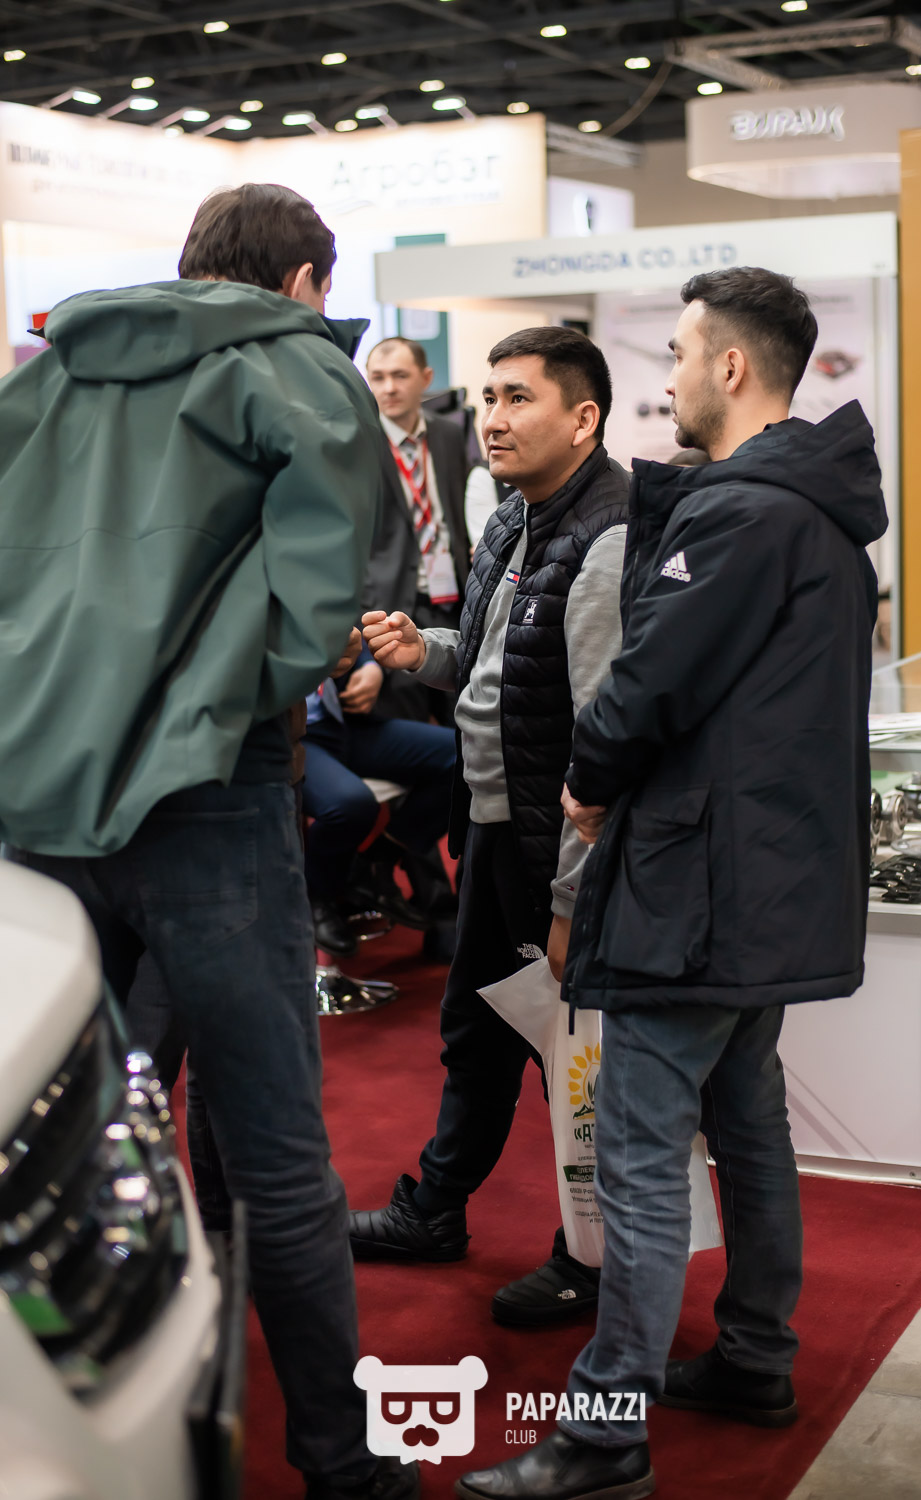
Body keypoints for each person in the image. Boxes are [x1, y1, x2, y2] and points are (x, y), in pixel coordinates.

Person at [0, 184, 416, 1500]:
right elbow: (319, 600)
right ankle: (338, 1463)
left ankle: (114, 1433)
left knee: (72, 1143)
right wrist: (222, 703)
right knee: (278, 1155)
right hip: (208, 794)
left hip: (38, 799)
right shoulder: (299, 367)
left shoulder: (50, 371)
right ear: (301, 281)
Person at [457, 267, 888, 1499]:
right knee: (745, 1128)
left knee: (642, 1154)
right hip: (758, 883)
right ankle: (752, 1356)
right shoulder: (813, 511)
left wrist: (588, 779)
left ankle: (603, 1434)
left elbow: (642, 684)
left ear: (730, 367)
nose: (672, 378)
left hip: (696, 888)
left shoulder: (743, 513)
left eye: (681, 355)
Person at [352, 326, 630, 1325]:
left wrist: (569, 899)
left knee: (577, 1061)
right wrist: (418, 652)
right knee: (475, 1027)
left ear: (583, 418)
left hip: (549, 844)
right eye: (490, 398)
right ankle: (435, 1209)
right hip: (491, 823)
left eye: (519, 398)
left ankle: (596, 1259)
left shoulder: (605, 537)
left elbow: (601, 743)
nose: (495, 420)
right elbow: (491, 667)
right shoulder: (517, 516)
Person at [303, 641, 456, 955]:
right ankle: (317, 897)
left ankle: (377, 861)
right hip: (294, 734)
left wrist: (369, 666)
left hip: (342, 722)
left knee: (466, 754)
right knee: (350, 805)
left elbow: (347, 633)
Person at [364, 336, 472, 721]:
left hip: (453, 603)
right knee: (411, 729)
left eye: (400, 375)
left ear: (426, 378)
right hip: (392, 608)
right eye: (378, 377)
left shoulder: (448, 434)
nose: (388, 388)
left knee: (460, 723)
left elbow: (456, 510)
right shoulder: (357, 442)